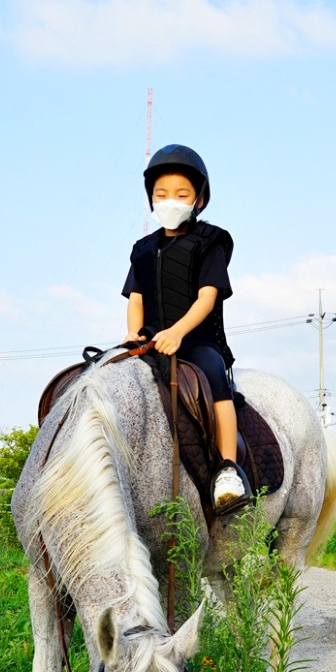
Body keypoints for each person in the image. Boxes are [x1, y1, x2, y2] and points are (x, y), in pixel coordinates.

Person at [122, 144, 248, 510]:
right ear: (151, 199)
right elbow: (136, 297)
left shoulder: (211, 241)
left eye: (181, 194)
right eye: (161, 194)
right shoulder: (142, 248)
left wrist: (178, 332)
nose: (170, 201)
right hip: (150, 341)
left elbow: (207, 297)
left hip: (195, 340)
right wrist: (134, 333)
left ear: (199, 199)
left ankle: (228, 469)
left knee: (213, 378)